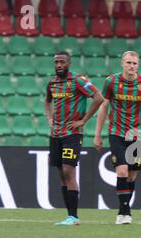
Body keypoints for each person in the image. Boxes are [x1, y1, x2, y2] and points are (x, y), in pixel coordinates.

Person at [71, 51, 141, 225]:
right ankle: (123, 212)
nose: (132, 66)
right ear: (122, 63)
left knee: (132, 176)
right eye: (129, 63)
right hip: (116, 133)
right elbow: (103, 108)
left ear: (138, 65)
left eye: (135, 63)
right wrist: (97, 134)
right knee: (122, 171)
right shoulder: (111, 81)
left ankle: (125, 209)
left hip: (137, 135)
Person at [45, 51, 104, 226]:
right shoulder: (52, 83)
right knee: (61, 174)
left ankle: (74, 216)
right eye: (56, 62)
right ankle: (69, 216)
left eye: (62, 62)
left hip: (72, 134)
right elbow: (47, 101)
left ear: (68, 63)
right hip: (55, 134)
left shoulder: (78, 80)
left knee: (68, 171)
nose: (58, 65)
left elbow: (99, 97)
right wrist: (50, 118)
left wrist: (83, 121)